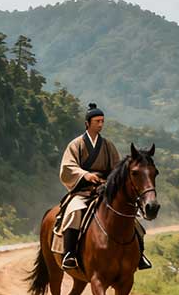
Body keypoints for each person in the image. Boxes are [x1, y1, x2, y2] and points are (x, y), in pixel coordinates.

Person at [56, 103, 151, 271]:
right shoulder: (76, 144)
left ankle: (140, 255)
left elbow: (118, 169)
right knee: (74, 211)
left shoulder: (108, 146)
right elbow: (68, 167)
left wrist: (109, 181)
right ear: (87, 123)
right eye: (97, 121)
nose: (100, 124)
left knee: (132, 219)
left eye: (102, 121)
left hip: (104, 191)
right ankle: (69, 254)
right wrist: (85, 175)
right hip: (83, 190)